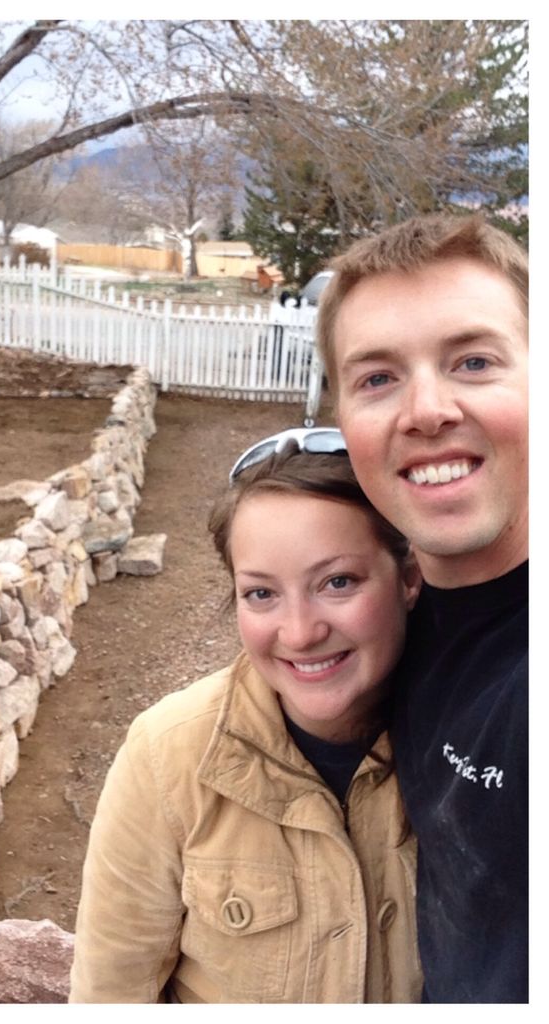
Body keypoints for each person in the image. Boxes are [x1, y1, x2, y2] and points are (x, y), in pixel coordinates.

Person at [70, 431, 423, 1003]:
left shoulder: (474, 744)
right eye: (261, 594)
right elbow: (111, 994)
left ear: (409, 578)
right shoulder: (166, 755)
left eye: (338, 582)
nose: (301, 632)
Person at [315, 213, 528, 1003]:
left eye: (473, 361)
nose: (426, 409)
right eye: (377, 378)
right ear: (341, 421)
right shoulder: (401, 616)